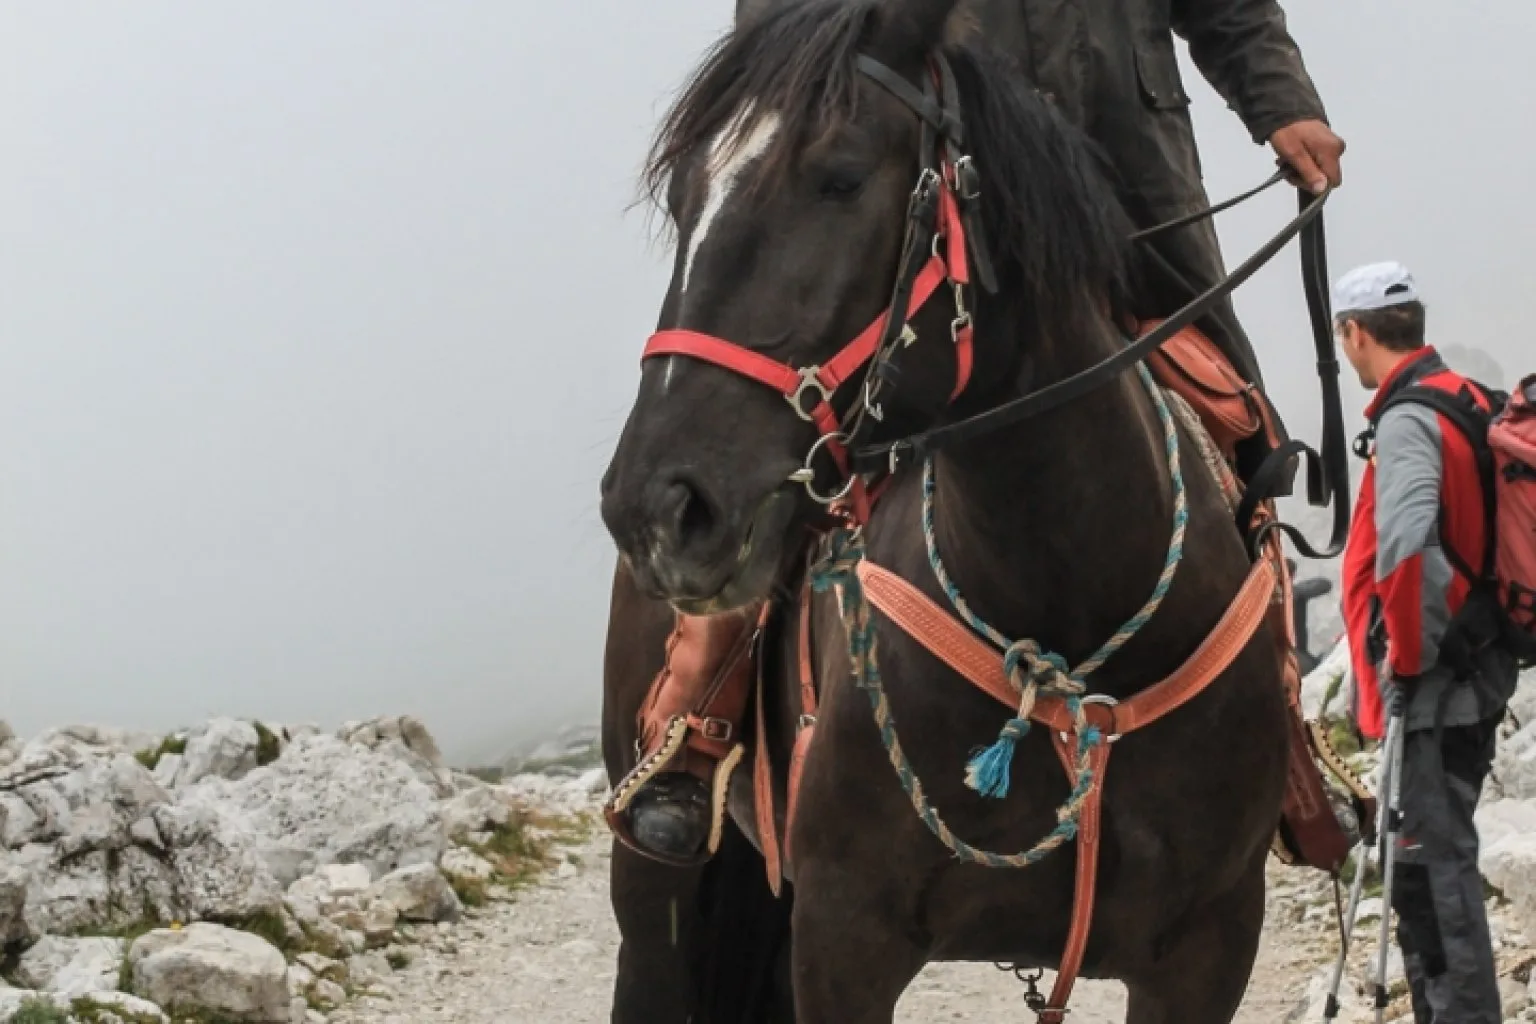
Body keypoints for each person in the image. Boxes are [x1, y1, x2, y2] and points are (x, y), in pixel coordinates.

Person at [614, 0, 1349, 863]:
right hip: (930, 176)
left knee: (1233, 420)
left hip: (1129, 181)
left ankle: (1275, 731)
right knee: (791, 440)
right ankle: (702, 716)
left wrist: (1285, 104)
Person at [1337, 261, 1519, 1024]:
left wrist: (1404, 663)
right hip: (1478, 671)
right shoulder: (1465, 397)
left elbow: (1409, 550)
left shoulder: (1409, 417)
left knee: (1435, 879)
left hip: (1436, 688)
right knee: (1425, 876)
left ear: (1355, 333)